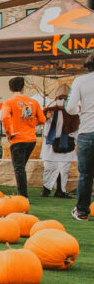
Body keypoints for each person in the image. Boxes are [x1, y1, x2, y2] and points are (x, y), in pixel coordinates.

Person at [0, 76, 45, 198]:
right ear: (23, 88)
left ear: (10, 88)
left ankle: (23, 196)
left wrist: (9, 133)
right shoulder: (34, 102)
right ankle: (22, 194)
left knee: (19, 168)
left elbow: (4, 118)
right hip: (31, 139)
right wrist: (31, 124)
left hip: (18, 139)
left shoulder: (8, 102)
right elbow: (42, 119)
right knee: (21, 167)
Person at [66, 55, 94, 220]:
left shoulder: (80, 81)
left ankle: (82, 211)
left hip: (87, 132)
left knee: (86, 174)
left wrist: (81, 110)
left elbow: (70, 108)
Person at [41, 83, 77, 198]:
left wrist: (72, 139)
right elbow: (39, 123)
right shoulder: (49, 111)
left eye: (66, 98)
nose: (63, 100)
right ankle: (46, 189)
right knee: (49, 167)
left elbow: (76, 128)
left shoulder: (73, 113)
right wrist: (47, 117)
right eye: (60, 98)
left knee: (64, 168)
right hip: (51, 144)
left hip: (66, 143)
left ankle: (60, 191)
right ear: (57, 98)